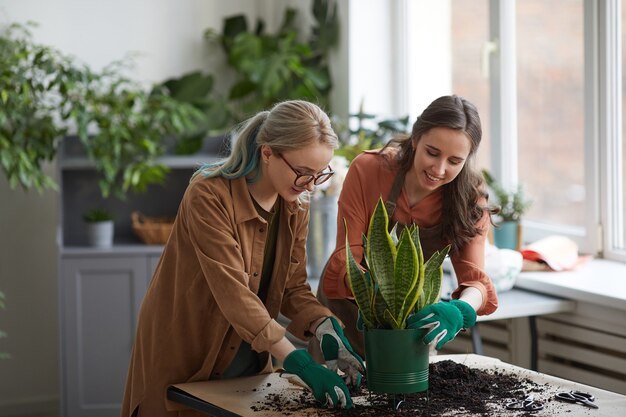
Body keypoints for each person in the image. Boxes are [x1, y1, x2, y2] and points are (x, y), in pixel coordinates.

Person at [121, 100, 364, 417]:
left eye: (320, 174)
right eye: (303, 173)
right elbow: (234, 294)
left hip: (249, 361)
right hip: (188, 358)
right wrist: (300, 362)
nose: (310, 184)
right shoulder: (208, 195)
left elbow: (292, 287)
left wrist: (324, 327)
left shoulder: (297, 205)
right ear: (268, 153)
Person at [311, 95, 499, 359]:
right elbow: (345, 259)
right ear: (415, 139)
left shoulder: (470, 200)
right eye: (432, 153)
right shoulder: (369, 170)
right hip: (345, 321)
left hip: (410, 332)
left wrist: (460, 309)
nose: (439, 169)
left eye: (454, 161)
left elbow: (476, 281)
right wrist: (376, 297)